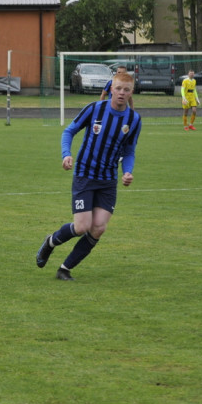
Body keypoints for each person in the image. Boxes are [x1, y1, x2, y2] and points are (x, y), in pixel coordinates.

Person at [36, 70, 141, 281]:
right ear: (111, 89)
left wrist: (127, 172)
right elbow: (69, 131)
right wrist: (67, 155)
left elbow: (129, 151)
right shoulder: (94, 109)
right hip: (85, 174)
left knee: (99, 227)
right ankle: (50, 242)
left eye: (126, 90)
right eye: (118, 88)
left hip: (108, 180)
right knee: (82, 226)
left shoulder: (134, 119)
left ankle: (64, 269)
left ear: (131, 93)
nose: (121, 93)